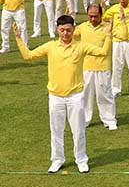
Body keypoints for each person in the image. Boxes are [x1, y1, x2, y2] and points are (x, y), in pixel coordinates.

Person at [13, 15, 112, 173]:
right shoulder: (51, 46)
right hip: (55, 96)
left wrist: (108, 35)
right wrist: (18, 38)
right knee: (56, 130)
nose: (65, 33)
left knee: (78, 129)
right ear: (57, 30)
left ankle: (81, 159)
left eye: (68, 30)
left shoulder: (81, 46)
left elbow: (102, 52)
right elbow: (28, 56)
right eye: (62, 30)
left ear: (73, 29)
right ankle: (57, 159)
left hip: (76, 96)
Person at [74, 4, 118, 130]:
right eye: (90, 16)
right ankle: (85, 120)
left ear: (101, 15)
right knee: (86, 95)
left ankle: (109, 119)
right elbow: (70, 34)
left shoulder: (107, 27)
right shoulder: (83, 27)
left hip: (103, 66)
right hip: (86, 66)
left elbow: (122, 35)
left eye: (95, 16)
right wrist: (68, 17)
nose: (93, 19)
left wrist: (121, 22)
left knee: (105, 94)